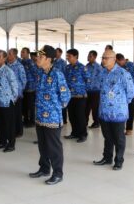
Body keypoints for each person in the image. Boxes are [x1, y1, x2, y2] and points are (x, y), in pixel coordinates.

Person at [29, 45, 70, 185]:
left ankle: (58, 173)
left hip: (52, 117)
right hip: (40, 116)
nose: (37, 59)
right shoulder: (40, 73)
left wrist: (55, 108)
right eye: (37, 56)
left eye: (40, 57)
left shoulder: (57, 74)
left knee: (54, 147)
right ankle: (44, 168)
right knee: (42, 145)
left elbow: (66, 96)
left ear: (49, 59)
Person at [93, 50, 134, 170]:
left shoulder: (123, 73)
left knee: (119, 138)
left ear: (114, 59)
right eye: (103, 58)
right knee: (107, 137)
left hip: (118, 112)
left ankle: (119, 160)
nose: (103, 60)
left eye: (106, 58)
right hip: (104, 111)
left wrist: (121, 103)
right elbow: (98, 87)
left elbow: (131, 92)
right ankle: (107, 158)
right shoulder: (102, 73)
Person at [0, 49, 18, 152]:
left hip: (7, 102)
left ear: (4, 58)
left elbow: (14, 86)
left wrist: (13, 99)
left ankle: (11, 144)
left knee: (9, 125)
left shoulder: (8, 70)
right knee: (0, 124)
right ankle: (2, 142)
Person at [64, 49, 90, 143]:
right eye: (67, 56)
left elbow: (88, 80)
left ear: (75, 56)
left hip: (80, 97)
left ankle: (83, 134)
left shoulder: (82, 67)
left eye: (69, 56)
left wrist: (82, 90)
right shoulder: (67, 68)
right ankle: (74, 133)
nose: (67, 58)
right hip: (70, 97)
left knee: (80, 116)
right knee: (71, 116)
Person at [116, 53, 134, 135]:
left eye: (118, 62)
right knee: (121, 111)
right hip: (121, 94)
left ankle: (129, 129)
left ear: (122, 59)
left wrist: (133, 87)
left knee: (130, 111)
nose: (117, 64)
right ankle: (121, 128)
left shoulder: (132, 65)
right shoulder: (117, 67)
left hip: (131, 93)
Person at [7, 48, 27, 137]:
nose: (8, 55)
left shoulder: (19, 66)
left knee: (17, 113)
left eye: (10, 54)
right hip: (7, 94)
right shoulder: (6, 66)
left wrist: (19, 92)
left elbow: (23, 80)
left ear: (15, 55)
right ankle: (11, 130)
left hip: (16, 94)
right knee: (10, 114)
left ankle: (19, 131)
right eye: (8, 54)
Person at [21, 47, 38, 127]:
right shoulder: (21, 62)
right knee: (25, 106)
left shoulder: (30, 62)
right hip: (23, 88)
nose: (22, 53)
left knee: (30, 106)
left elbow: (36, 73)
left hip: (30, 88)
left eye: (23, 52)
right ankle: (26, 120)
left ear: (28, 53)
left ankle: (32, 121)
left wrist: (34, 84)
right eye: (21, 52)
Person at [85, 50, 102, 129]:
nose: (88, 57)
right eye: (88, 55)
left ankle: (96, 123)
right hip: (87, 91)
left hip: (95, 91)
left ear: (95, 57)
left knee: (95, 108)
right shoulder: (86, 66)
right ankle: (84, 122)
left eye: (90, 56)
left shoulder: (98, 67)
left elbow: (102, 79)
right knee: (86, 108)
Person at [53, 48, 68, 124]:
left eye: (57, 52)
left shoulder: (63, 62)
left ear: (60, 53)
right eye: (55, 52)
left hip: (61, 84)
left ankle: (64, 119)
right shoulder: (53, 62)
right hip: (54, 85)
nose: (55, 53)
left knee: (62, 101)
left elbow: (65, 73)